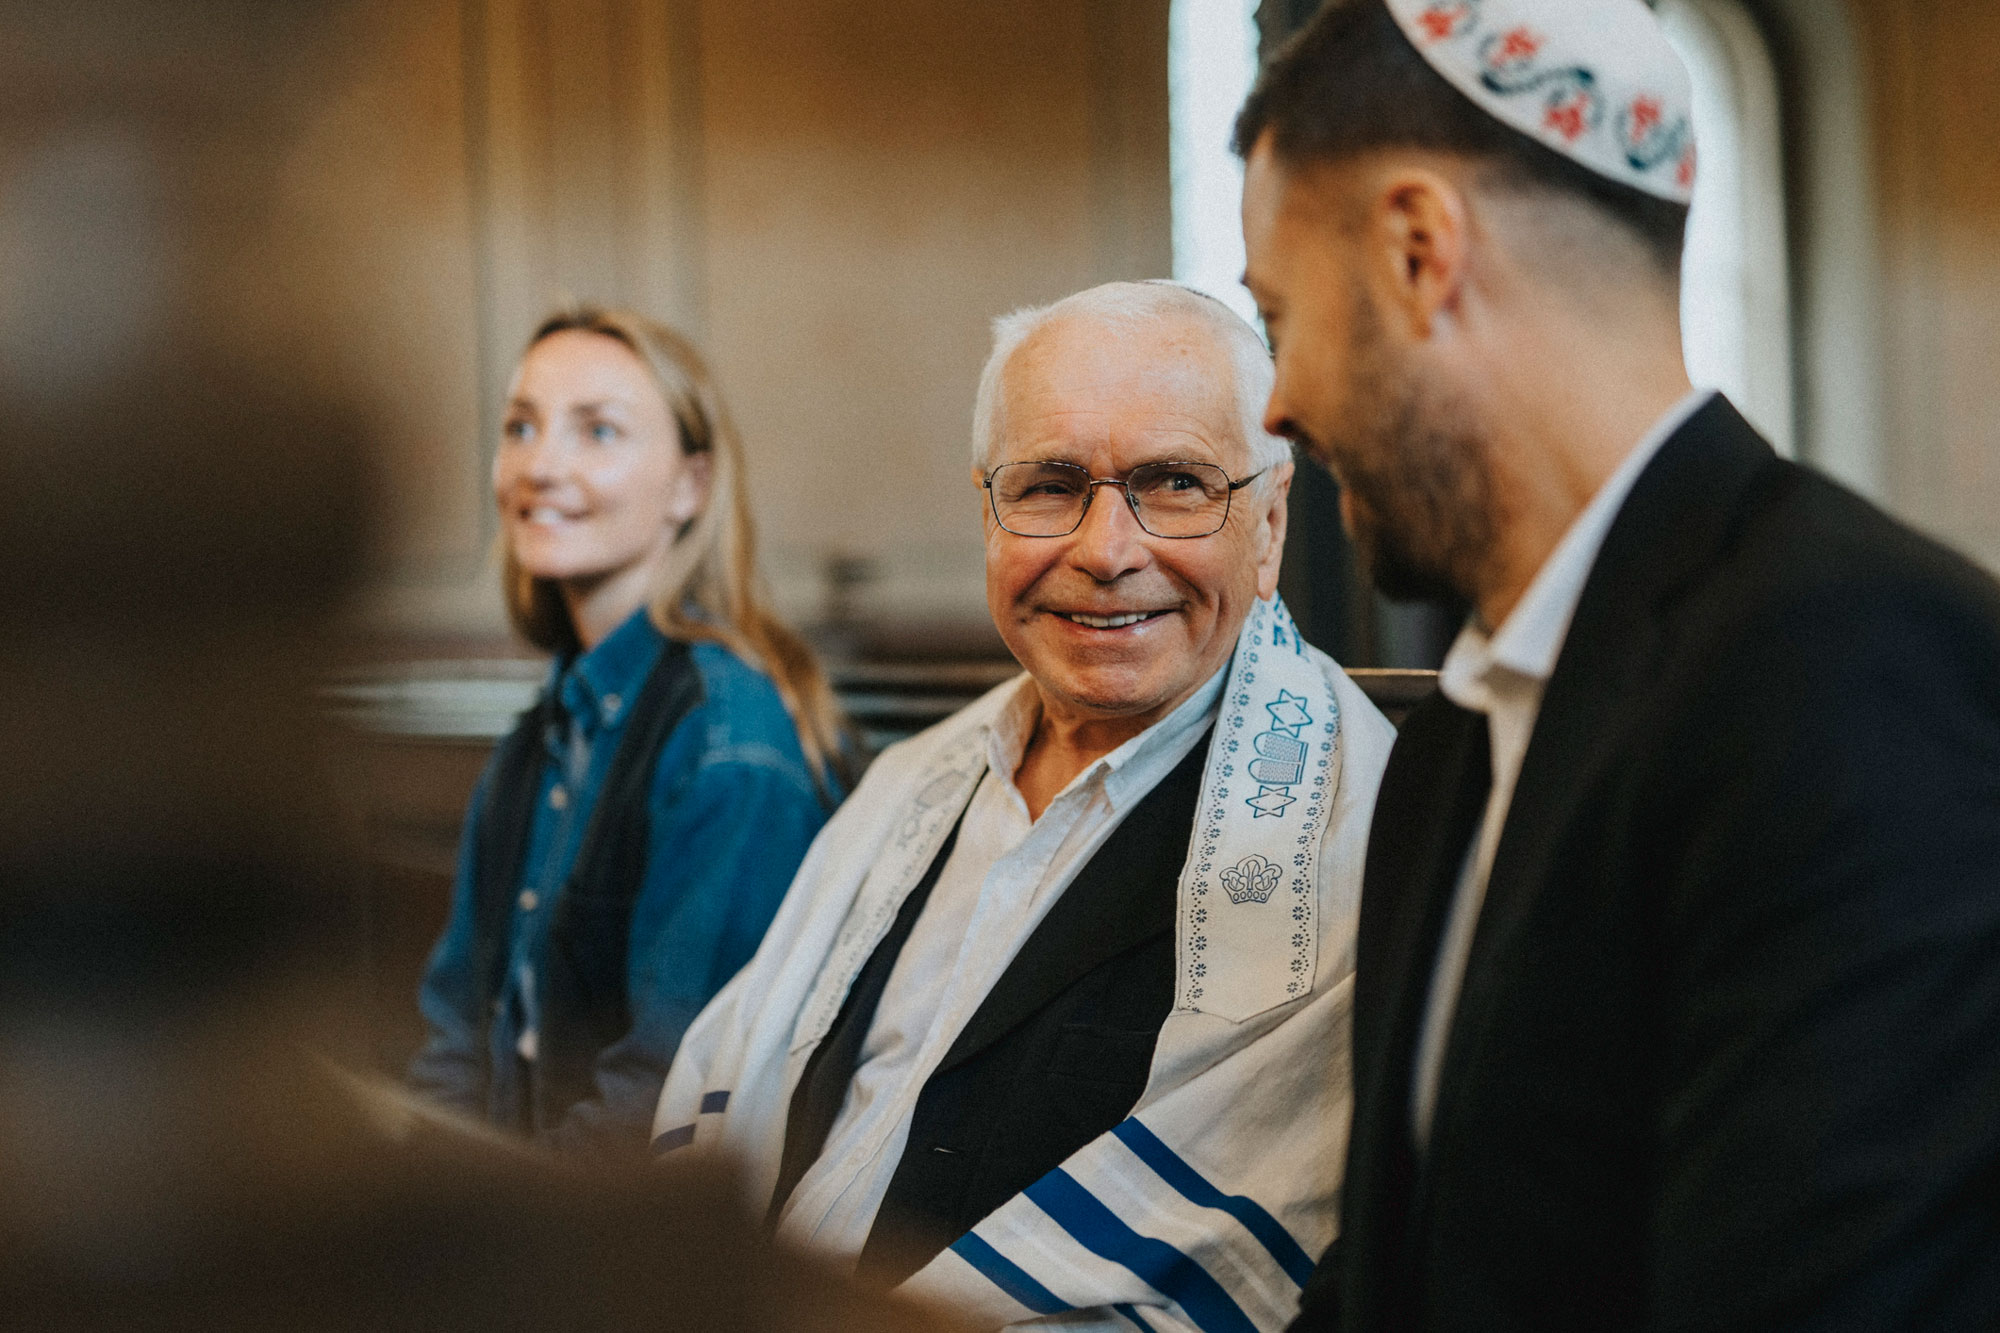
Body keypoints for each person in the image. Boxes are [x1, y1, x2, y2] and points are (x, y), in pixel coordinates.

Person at [1234, 1, 2000, 1328]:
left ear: (1421, 248)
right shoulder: (1464, 732)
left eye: (1279, 313)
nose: (1277, 404)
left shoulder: (1846, 669)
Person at [654, 280, 1397, 1331]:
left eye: (1175, 482)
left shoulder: (1353, 831)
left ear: (1268, 524)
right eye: (1050, 485)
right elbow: (726, 1080)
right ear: (987, 507)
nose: (1103, 550)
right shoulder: (914, 779)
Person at [408, 307, 846, 1155]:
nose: (541, 465)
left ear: (690, 486)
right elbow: (456, 1036)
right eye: (521, 427)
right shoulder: (536, 740)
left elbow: (667, 1099)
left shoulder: (727, 745)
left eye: (597, 430)